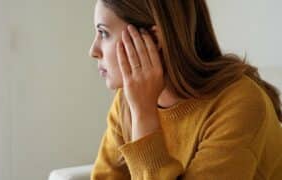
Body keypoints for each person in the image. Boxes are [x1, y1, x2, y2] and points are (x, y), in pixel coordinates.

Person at [88, 0, 282, 179]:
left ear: (154, 39)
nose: (93, 51)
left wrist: (144, 116)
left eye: (104, 33)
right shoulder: (129, 98)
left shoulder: (239, 103)